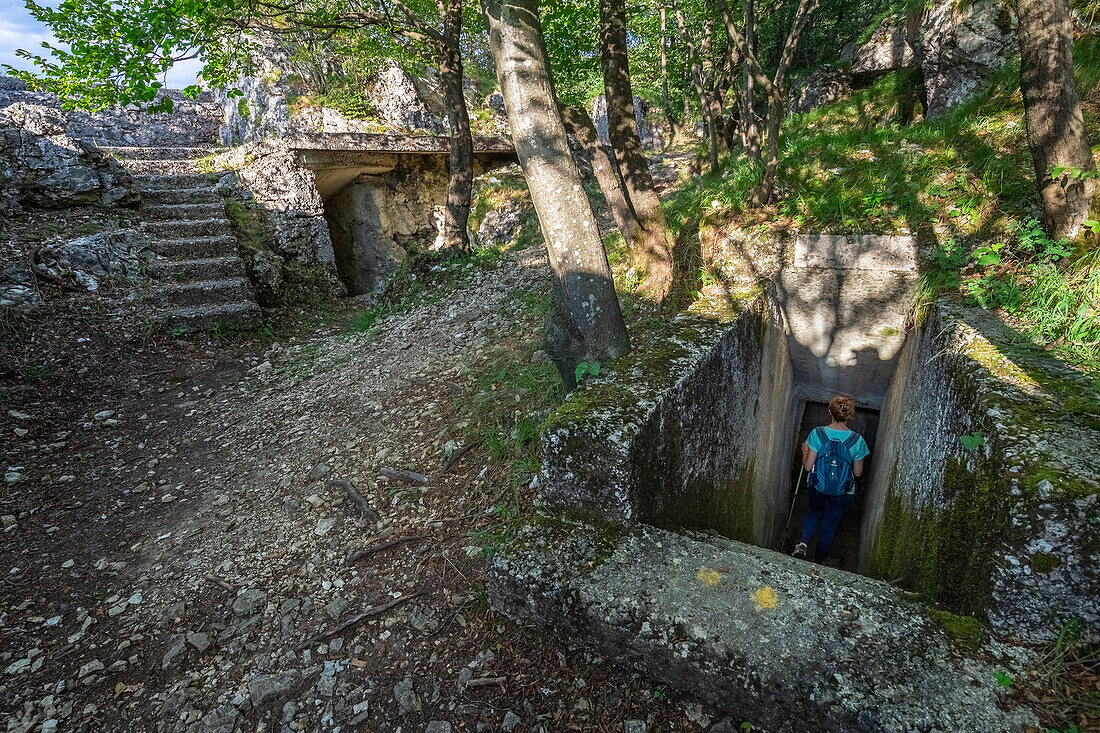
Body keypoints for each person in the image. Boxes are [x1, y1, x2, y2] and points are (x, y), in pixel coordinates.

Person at [792, 395, 869, 564]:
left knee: (814, 512)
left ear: (829, 411)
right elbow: (857, 473)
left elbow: (807, 467)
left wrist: (804, 452)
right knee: (830, 525)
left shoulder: (817, 434)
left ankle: (803, 545)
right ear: (851, 415)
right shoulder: (857, 441)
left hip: (818, 486)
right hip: (844, 491)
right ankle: (818, 562)